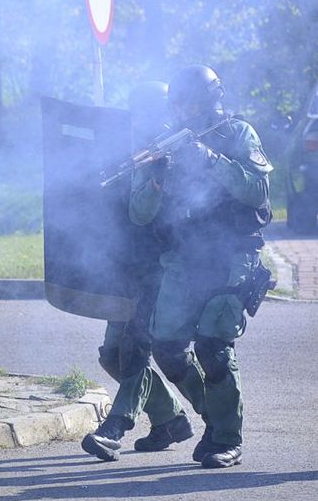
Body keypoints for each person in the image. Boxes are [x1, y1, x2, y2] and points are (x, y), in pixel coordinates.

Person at [129, 64, 273, 468]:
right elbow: (139, 213)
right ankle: (215, 418)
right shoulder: (165, 143)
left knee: (213, 346)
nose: (183, 110)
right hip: (182, 259)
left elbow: (257, 189)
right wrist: (155, 180)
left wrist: (209, 159)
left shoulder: (239, 134)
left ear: (212, 99)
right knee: (168, 347)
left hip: (230, 256)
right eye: (177, 103)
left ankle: (227, 438)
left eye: (191, 102)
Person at [81, 81, 191, 462]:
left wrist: (161, 176)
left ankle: (115, 427)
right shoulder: (132, 150)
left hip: (163, 267)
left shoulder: (181, 151)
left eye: (154, 110)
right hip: (127, 266)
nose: (146, 119)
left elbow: (148, 213)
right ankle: (170, 420)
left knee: (137, 350)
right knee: (112, 355)